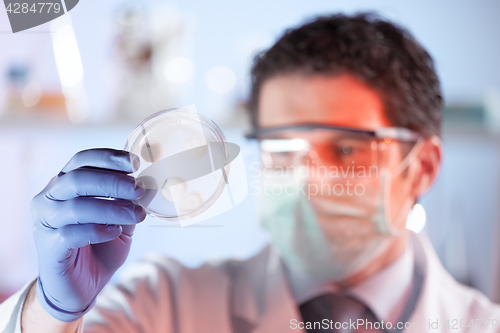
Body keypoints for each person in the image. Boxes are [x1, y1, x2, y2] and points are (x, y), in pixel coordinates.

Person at [1, 13, 500, 333]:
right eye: (282, 150)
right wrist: (52, 313)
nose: (310, 177)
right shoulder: (164, 304)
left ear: (423, 166)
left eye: (347, 149)